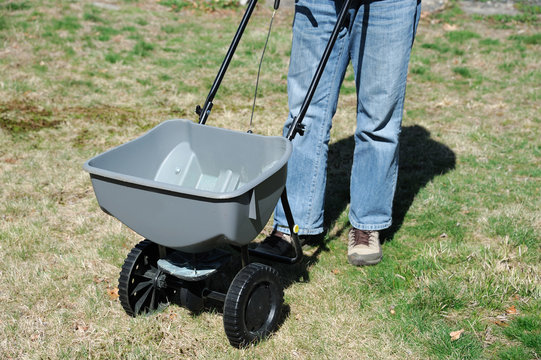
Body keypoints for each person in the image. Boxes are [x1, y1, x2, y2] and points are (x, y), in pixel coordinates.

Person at [258, 0, 421, 266]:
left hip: (387, 6)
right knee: (303, 114)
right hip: (320, 4)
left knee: (379, 121)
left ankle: (366, 224)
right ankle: (293, 225)